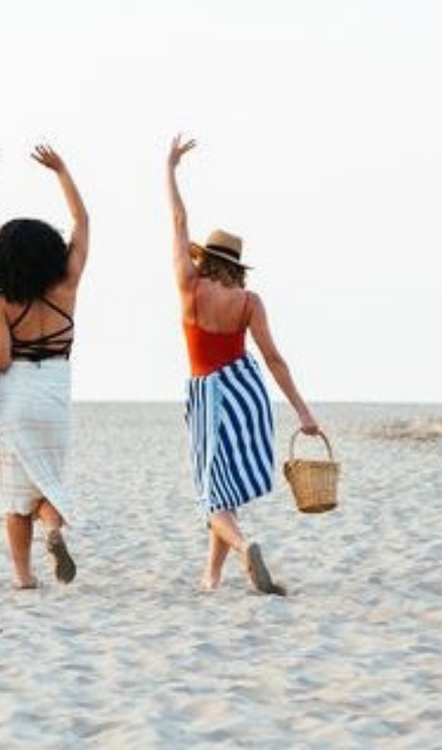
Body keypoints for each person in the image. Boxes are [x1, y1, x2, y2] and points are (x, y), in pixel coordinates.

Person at [164, 135, 321, 595]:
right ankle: (211, 577)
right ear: (237, 266)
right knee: (226, 490)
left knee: (211, 495)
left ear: (206, 259)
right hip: (246, 391)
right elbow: (274, 359)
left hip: (208, 393)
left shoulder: (189, 286)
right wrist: (303, 411)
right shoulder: (249, 301)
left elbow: (178, 220)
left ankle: (243, 546)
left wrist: (170, 168)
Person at [0, 145, 89, 589]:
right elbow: (82, 223)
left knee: (15, 495)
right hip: (55, 396)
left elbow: (1, 359)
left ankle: (24, 577)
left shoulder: (2, 303)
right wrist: (62, 171)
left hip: (16, 395)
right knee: (47, 484)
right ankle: (53, 527)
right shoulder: (67, 287)